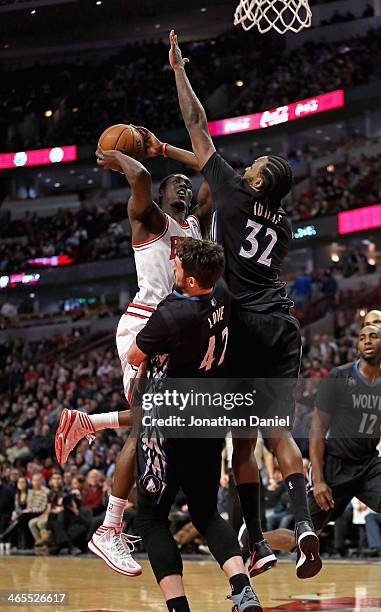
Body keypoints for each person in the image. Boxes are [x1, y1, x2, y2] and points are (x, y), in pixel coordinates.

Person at [168, 30, 321, 579]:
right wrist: (166, 151)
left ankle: (255, 541)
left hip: (245, 326)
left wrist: (180, 73)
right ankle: (302, 526)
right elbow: (206, 156)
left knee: (243, 443)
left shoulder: (233, 192)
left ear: (255, 179)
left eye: (254, 162)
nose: (249, 161)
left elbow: (200, 127)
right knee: (279, 432)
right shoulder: (281, 225)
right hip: (284, 324)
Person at [55, 138, 211, 575]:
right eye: (174, 185)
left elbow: (209, 165)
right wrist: (121, 156)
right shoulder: (149, 220)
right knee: (146, 425)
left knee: (175, 416)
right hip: (146, 325)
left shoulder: (195, 227)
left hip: (177, 331)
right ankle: (108, 528)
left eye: (185, 185)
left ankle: (89, 421)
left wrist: (165, 148)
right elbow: (140, 177)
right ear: (159, 196)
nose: (183, 187)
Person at [129, 237, 262, 612]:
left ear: (189, 280)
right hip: (209, 414)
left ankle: (179, 608)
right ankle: (242, 590)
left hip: (170, 419)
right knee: (205, 511)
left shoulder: (172, 314)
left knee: (152, 518)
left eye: (177, 266)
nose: (172, 268)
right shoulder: (221, 291)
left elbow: (135, 352)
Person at [308, 325, 381, 535]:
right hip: (335, 465)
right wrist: (319, 479)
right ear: (357, 346)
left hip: (368, 464)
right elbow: (317, 428)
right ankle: (253, 539)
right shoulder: (339, 377)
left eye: (374, 336)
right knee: (304, 537)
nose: (367, 341)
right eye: (362, 338)